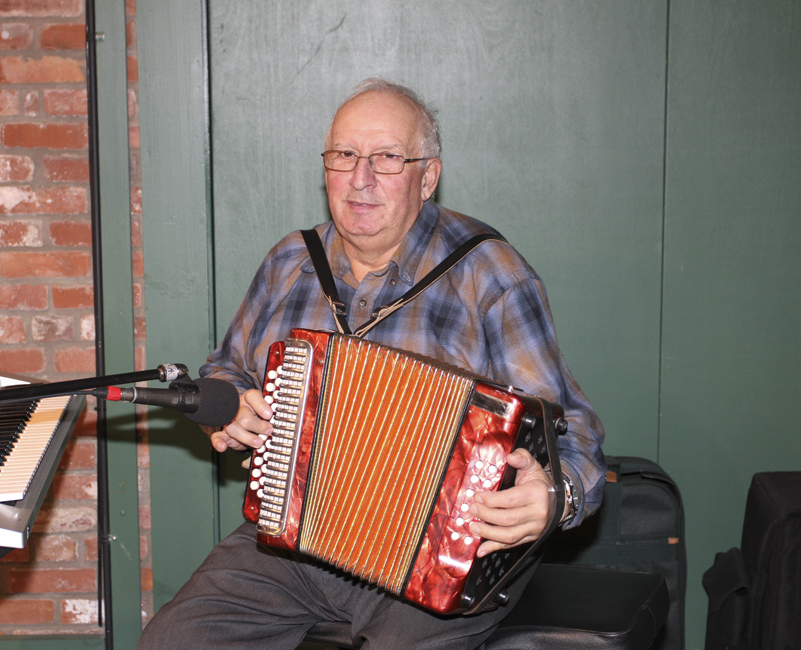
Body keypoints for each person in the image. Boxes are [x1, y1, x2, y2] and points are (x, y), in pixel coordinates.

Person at [138, 78, 606, 650]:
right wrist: (231, 409)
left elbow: (572, 430)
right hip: (294, 538)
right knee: (172, 641)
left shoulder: (490, 273)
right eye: (344, 156)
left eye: (387, 158)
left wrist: (557, 496)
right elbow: (227, 371)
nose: (361, 178)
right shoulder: (291, 260)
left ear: (427, 176)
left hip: (438, 556)